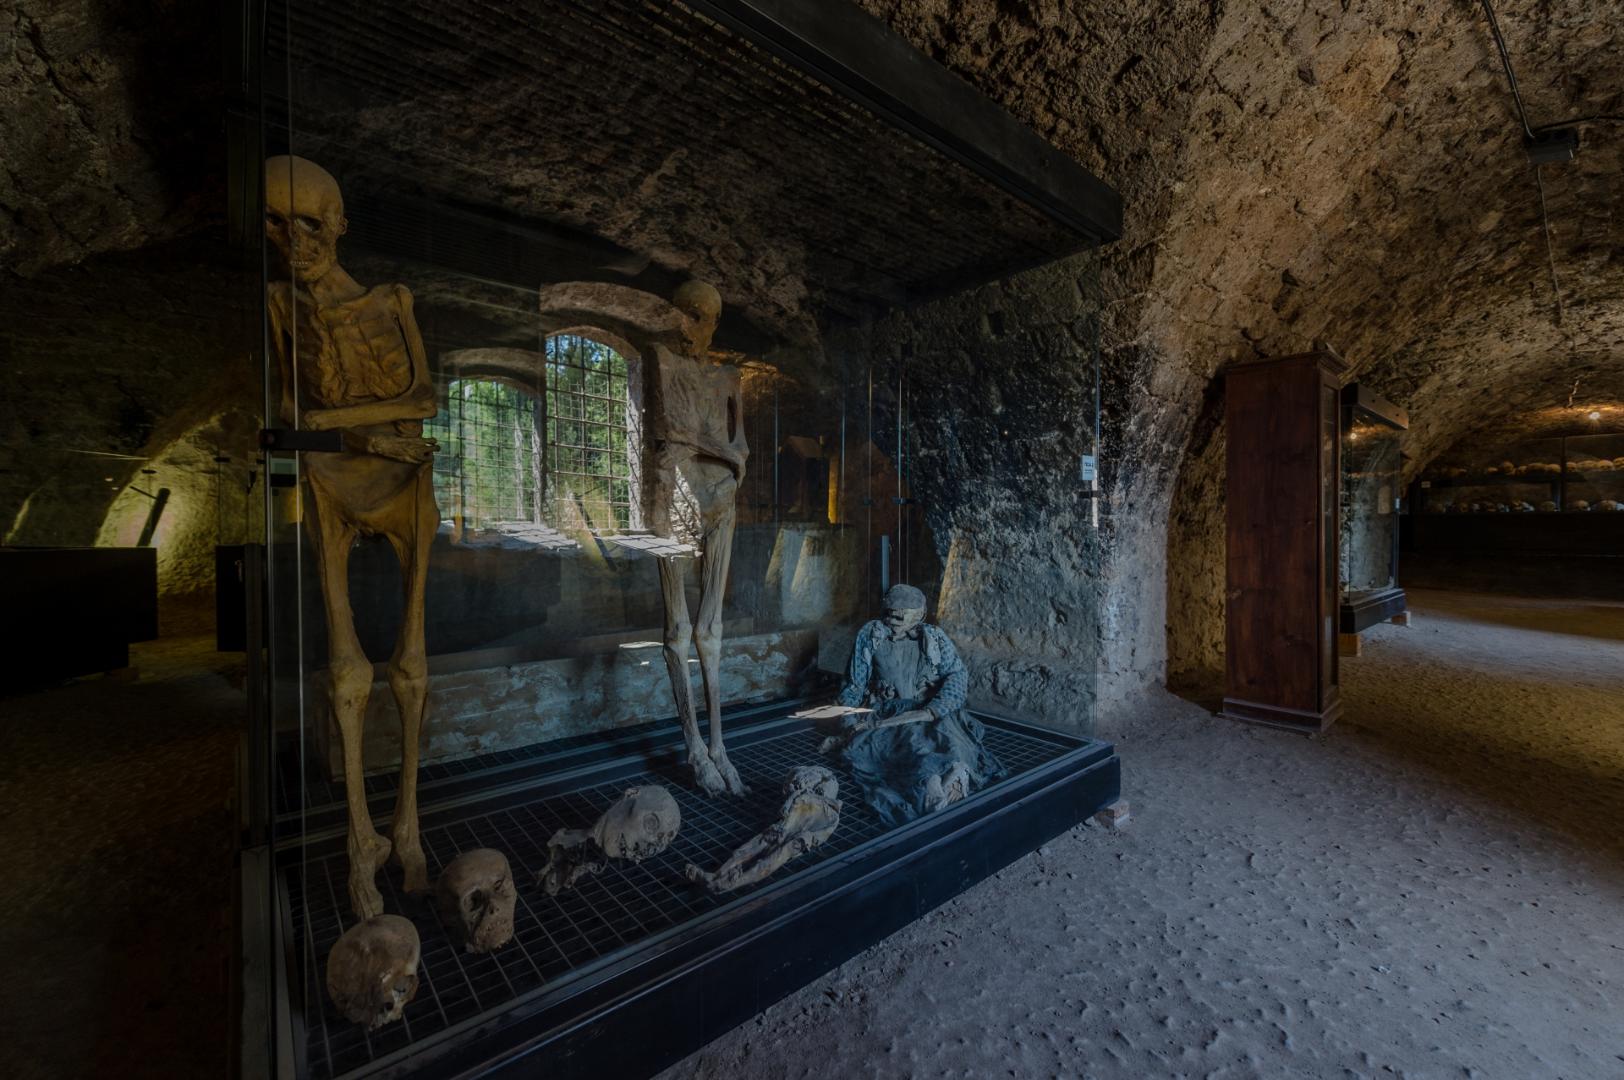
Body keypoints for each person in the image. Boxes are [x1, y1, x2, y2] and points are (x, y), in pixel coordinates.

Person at [827, 584, 1006, 826]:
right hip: (888, 713)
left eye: (903, 614)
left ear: (920, 615)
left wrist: (938, 707)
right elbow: (854, 684)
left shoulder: (933, 638)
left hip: (928, 710)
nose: (895, 618)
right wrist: (849, 719)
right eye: (890, 612)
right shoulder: (871, 634)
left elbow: (956, 673)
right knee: (907, 750)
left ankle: (953, 779)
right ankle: (930, 788)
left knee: (949, 743)